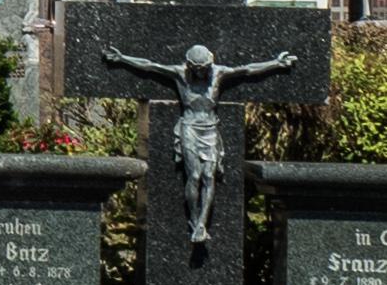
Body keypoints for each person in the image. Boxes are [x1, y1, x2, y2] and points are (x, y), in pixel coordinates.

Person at [100, 35, 299, 248]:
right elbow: (151, 66)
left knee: (208, 176)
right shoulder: (180, 75)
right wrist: (122, 59)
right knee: (194, 175)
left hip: (210, 129)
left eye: (204, 68)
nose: (201, 72)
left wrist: (276, 63)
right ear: (190, 66)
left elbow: (247, 70)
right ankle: (194, 221)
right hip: (189, 128)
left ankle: (201, 224)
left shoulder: (218, 73)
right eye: (197, 68)